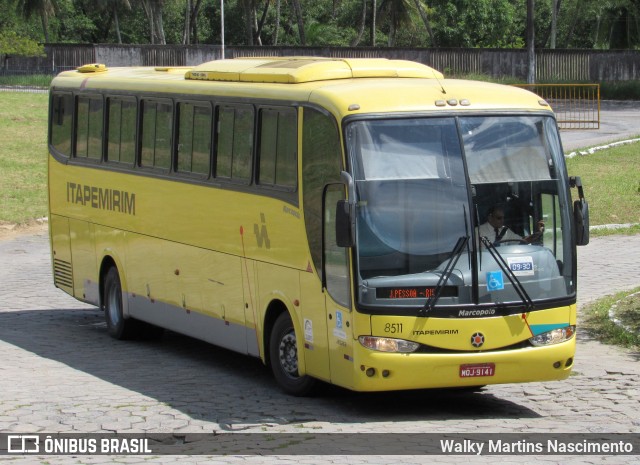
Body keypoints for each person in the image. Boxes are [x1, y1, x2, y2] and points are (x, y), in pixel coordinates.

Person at [478, 206, 544, 246]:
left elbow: (522, 241)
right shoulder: (478, 232)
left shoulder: (505, 231)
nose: (502, 220)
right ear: (490, 218)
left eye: (503, 218)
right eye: (499, 218)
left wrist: (538, 233)